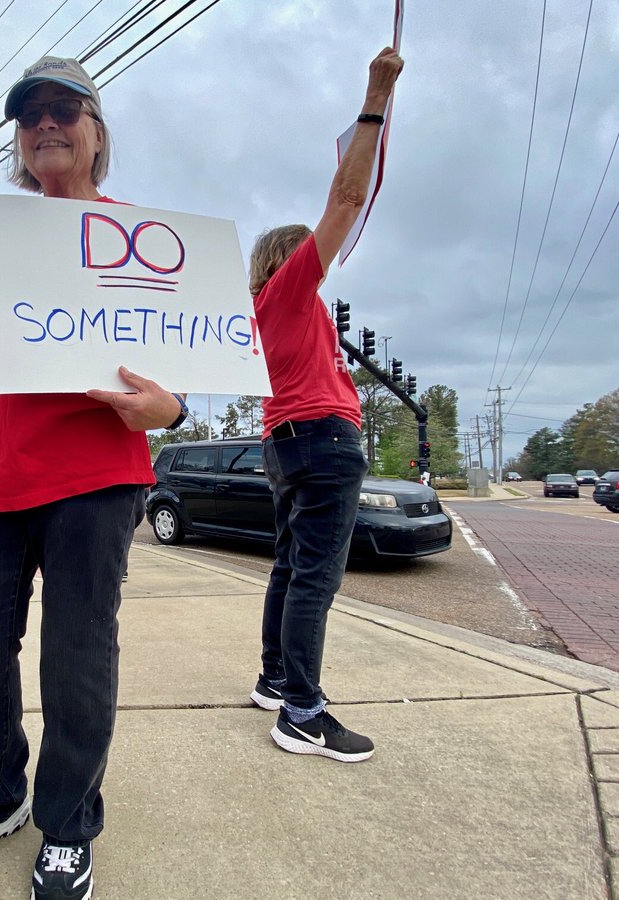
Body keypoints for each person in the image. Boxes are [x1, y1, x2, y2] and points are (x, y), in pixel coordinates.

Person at [0, 57, 186, 900]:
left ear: (99, 134)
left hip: (96, 477)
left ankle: (68, 822)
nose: (47, 126)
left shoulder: (146, 238)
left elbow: (184, 360)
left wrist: (169, 410)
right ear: (21, 144)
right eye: (31, 117)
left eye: (66, 110)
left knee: (77, 658)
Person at [247, 47, 404, 762]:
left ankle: (277, 680)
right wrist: (376, 96)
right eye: (310, 253)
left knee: (289, 566)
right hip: (322, 438)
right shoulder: (287, 293)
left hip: (285, 442)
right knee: (315, 576)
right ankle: (303, 713)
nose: (322, 259)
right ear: (290, 259)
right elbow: (345, 200)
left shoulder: (257, 314)